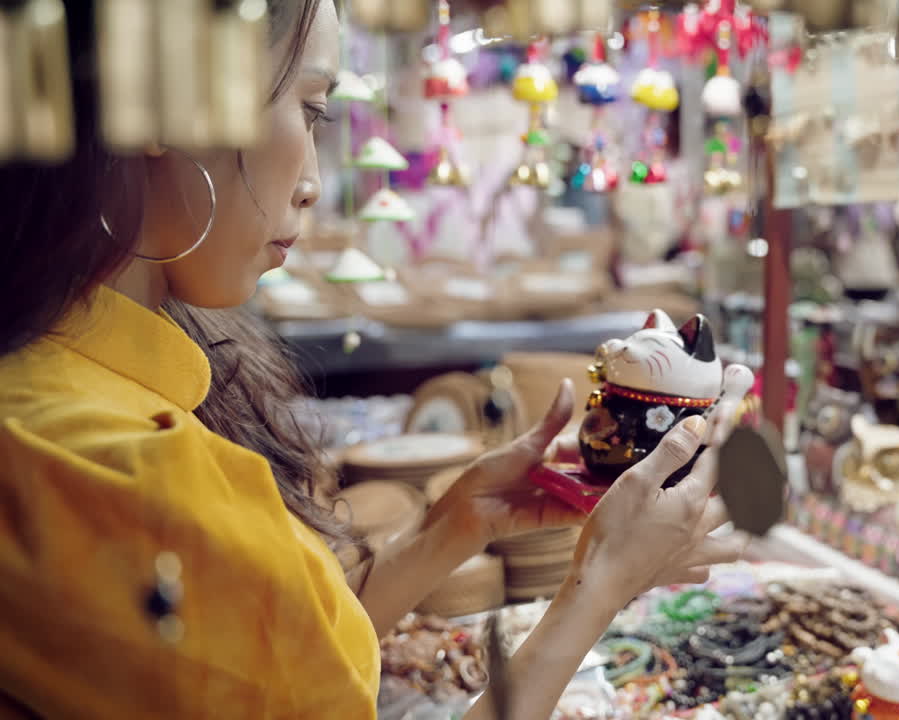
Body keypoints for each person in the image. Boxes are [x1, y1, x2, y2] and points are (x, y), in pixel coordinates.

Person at [0, 2, 746, 718]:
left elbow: (270, 664)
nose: (314, 184)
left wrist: (451, 528)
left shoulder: (63, 384)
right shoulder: (128, 471)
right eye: (311, 109)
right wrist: (596, 590)